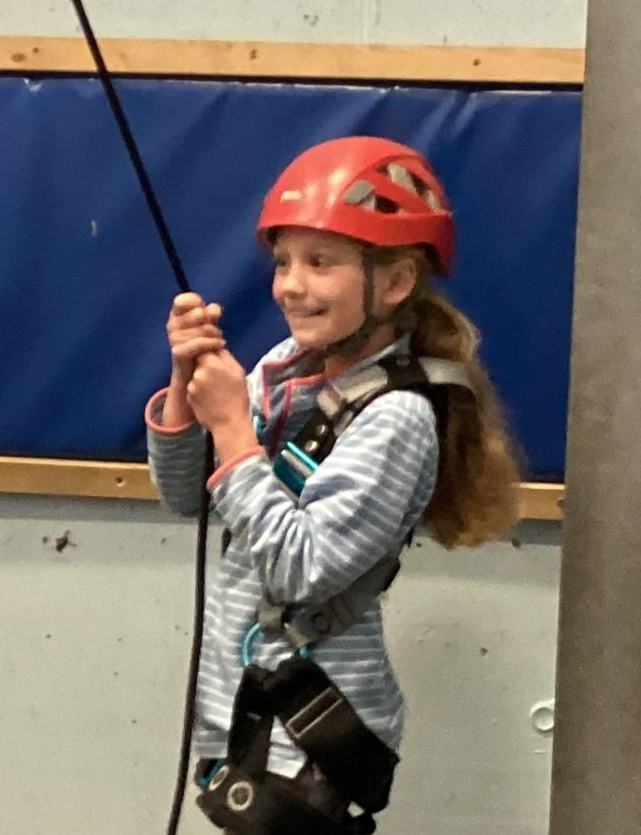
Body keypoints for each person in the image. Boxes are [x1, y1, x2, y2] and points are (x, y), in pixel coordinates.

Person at [146, 136, 521, 834]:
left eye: (320, 262)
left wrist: (233, 429)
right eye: (283, 260)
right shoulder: (286, 368)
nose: (290, 284)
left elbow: (302, 568)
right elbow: (187, 495)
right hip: (242, 707)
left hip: (309, 726)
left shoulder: (397, 416)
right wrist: (185, 394)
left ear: (395, 283)